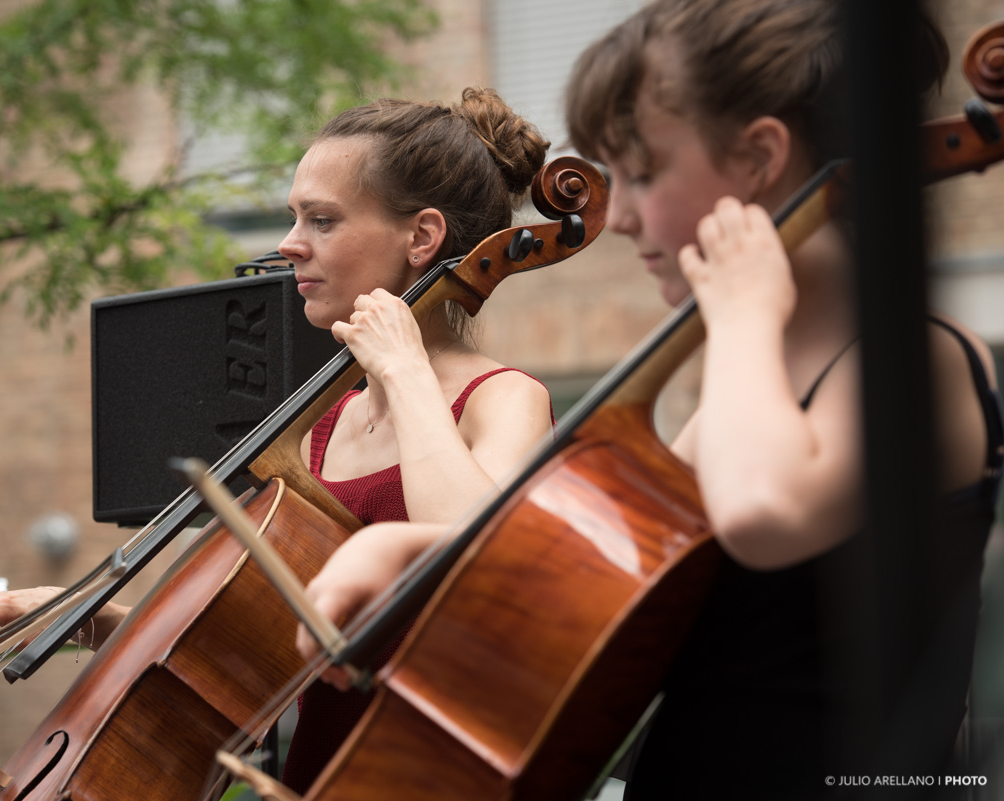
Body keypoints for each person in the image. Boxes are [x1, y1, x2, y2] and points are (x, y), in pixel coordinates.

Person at [296, 1, 1003, 798]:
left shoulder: (918, 357)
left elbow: (765, 513)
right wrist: (410, 554)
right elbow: (601, 593)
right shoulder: (751, 372)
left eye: (642, 173)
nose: (623, 216)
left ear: (759, 157)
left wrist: (739, 315)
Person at [0, 86, 556, 794]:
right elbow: (240, 653)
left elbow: (478, 570)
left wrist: (405, 368)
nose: (290, 244)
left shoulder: (505, 398)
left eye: (322, 219)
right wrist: (66, 611)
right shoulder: (320, 429)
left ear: (422, 238)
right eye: (294, 217)